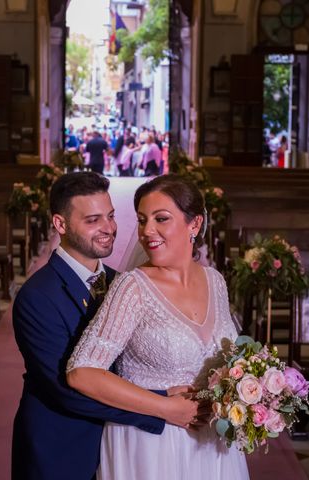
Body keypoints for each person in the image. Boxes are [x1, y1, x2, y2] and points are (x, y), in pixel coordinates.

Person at [12, 172, 198, 480]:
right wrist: (162, 404)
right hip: (62, 448)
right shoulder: (37, 296)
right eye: (93, 220)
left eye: (110, 216)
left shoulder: (122, 282)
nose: (108, 229)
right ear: (60, 224)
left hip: (123, 447)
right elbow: (65, 390)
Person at [67, 174, 250, 479]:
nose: (147, 231)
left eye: (161, 219)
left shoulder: (215, 281)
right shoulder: (132, 287)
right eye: (141, 220)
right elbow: (81, 372)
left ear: (194, 224)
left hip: (213, 443)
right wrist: (165, 406)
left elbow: (231, 361)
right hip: (151, 443)